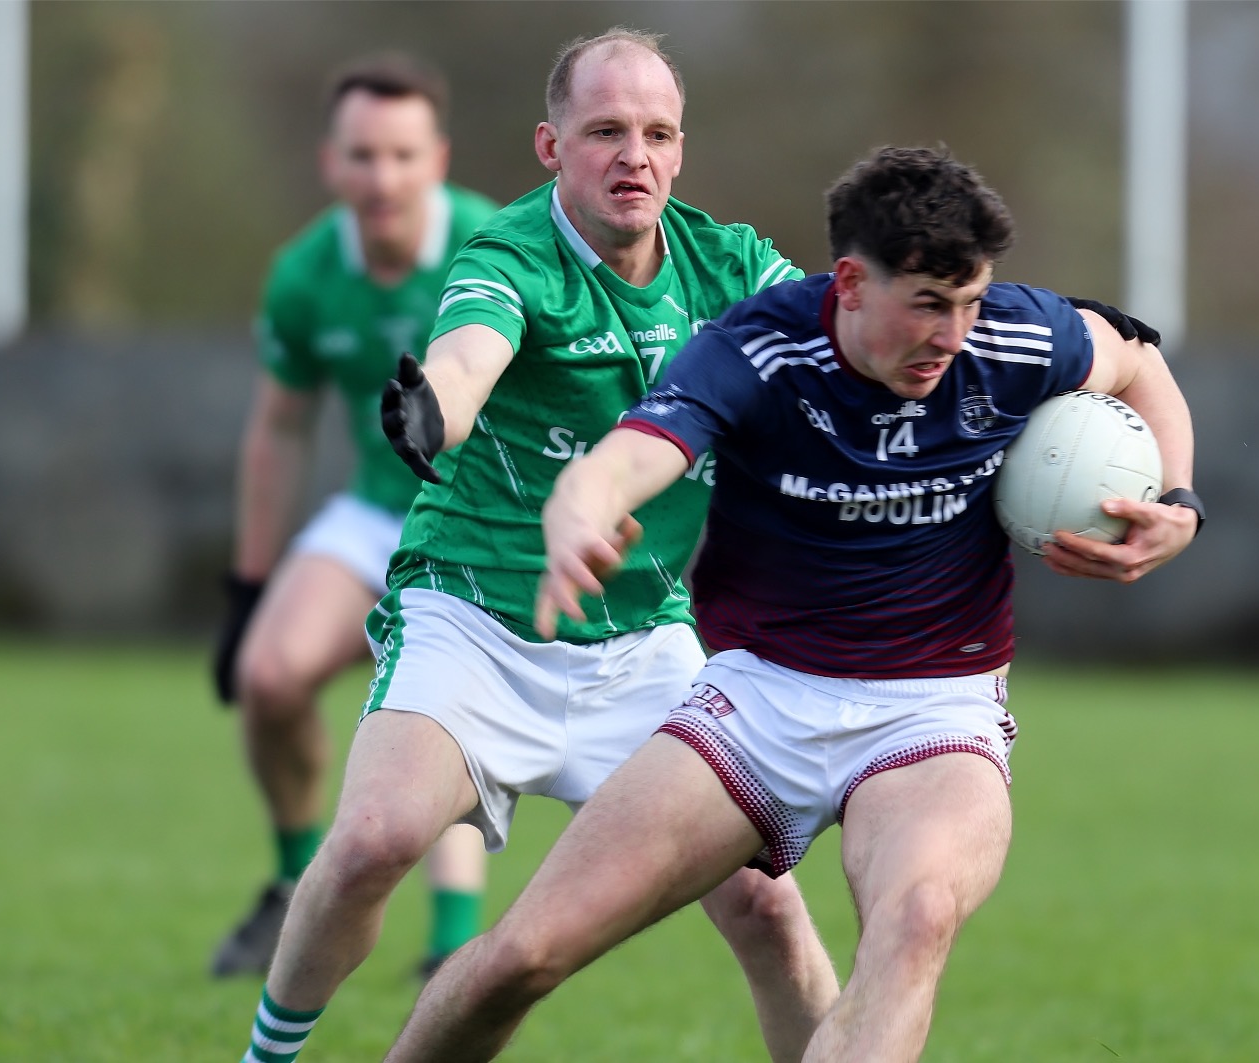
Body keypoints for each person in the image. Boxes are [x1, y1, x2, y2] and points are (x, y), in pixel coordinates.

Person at [382, 145, 1204, 1062]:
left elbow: (1138, 360)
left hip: (934, 707)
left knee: (916, 917)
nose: (953, 333)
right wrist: (579, 511)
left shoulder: (1016, 338)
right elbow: (625, 457)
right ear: (849, 282)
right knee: (521, 958)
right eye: (927, 304)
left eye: (970, 301)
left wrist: (1179, 502)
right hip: (758, 701)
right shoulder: (758, 349)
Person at [234, 29, 839, 1063]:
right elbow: (469, 355)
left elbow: (841, 346)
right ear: (552, 146)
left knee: (766, 907)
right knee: (375, 838)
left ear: (681, 150)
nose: (634, 155)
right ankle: (267, 1056)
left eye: (657, 133)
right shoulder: (508, 253)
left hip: (643, 640)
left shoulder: (731, 264)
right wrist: (436, 404)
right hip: (473, 620)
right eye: (605, 131)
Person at [210, 53, 501, 981]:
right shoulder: (304, 274)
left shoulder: (495, 245)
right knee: (267, 676)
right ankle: (294, 885)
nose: (383, 178)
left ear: (438, 159)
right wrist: (247, 586)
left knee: (440, 705)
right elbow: (279, 431)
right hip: (374, 512)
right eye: (363, 155)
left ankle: (453, 939)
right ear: (330, 162)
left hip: (478, 523)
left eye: (403, 155)